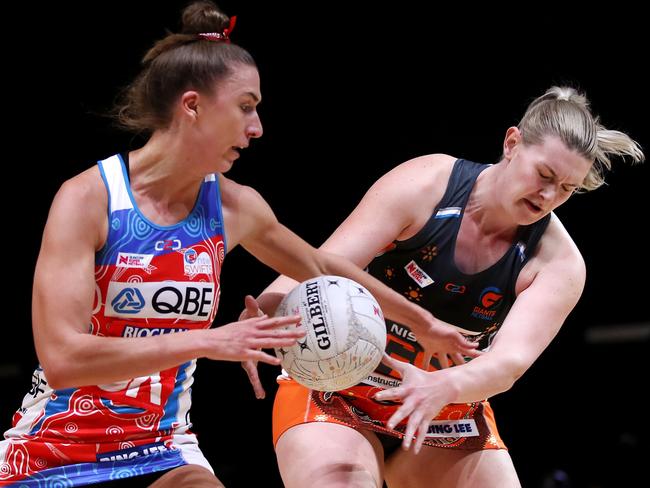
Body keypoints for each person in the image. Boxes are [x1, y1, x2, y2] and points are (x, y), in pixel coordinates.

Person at [0, 2, 478, 487]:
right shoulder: (87, 200)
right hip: (52, 448)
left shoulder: (235, 207)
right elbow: (62, 361)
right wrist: (213, 341)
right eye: (246, 107)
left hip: (162, 447)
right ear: (193, 106)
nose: (257, 128)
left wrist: (424, 323)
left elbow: (322, 266)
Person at [247, 86, 644, 487]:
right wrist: (269, 306)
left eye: (566, 189)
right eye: (544, 175)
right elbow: (321, 266)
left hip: (443, 408)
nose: (548, 196)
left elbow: (507, 365)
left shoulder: (559, 262)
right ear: (512, 143)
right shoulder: (428, 183)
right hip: (338, 390)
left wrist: (441, 386)